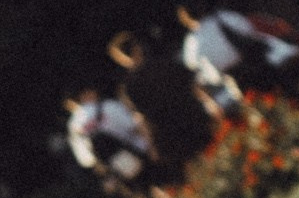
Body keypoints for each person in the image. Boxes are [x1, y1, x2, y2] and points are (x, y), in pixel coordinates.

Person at [107, 29, 212, 165]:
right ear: (137, 47)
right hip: (195, 116)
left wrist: (152, 146)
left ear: (121, 59)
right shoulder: (163, 63)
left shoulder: (128, 88)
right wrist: (211, 104)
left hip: (170, 135)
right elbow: (195, 86)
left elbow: (141, 118)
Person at [64, 88, 152, 184]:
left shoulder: (73, 125)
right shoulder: (108, 106)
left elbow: (86, 160)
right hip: (142, 153)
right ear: (86, 93)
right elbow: (135, 126)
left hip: (119, 171)